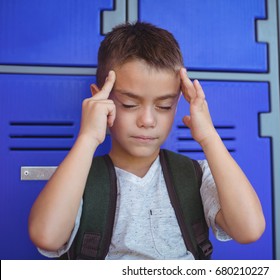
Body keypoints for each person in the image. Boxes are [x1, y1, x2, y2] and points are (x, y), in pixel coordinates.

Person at [28, 22, 265, 260]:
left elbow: (249, 230)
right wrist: (88, 137)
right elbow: (47, 236)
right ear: (99, 99)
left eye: (164, 106)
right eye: (130, 105)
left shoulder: (195, 175)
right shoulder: (77, 177)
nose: (148, 120)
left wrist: (209, 137)